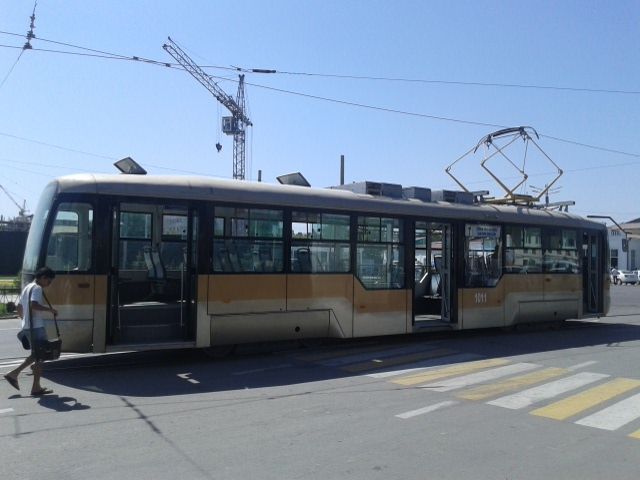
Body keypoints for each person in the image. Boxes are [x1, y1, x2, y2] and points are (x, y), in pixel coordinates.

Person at [4, 267, 58, 396]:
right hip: (37, 327)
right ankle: (18, 376)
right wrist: (51, 310)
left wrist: (25, 321)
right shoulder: (38, 288)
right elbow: (34, 305)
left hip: (28, 327)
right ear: (43, 278)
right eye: (49, 281)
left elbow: (19, 307)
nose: (48, 284)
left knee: (37, 355)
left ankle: (31, 383)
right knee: (41, 355)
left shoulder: (27, 287)